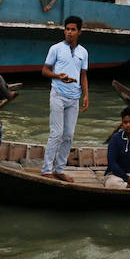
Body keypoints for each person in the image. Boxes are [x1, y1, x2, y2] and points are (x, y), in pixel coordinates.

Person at [41, 15, 89, 181]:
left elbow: (83, 75)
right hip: (58, 95)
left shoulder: (83, 52)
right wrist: (58, 76)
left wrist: (86, 95)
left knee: (68, 135)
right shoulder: (55, 49)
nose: (69, 32)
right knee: (56, 133)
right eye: (67, 29)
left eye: (73, 29)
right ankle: (47, 169)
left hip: (74, 98)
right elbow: (44, 70)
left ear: (79, 32)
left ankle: (59, 170)